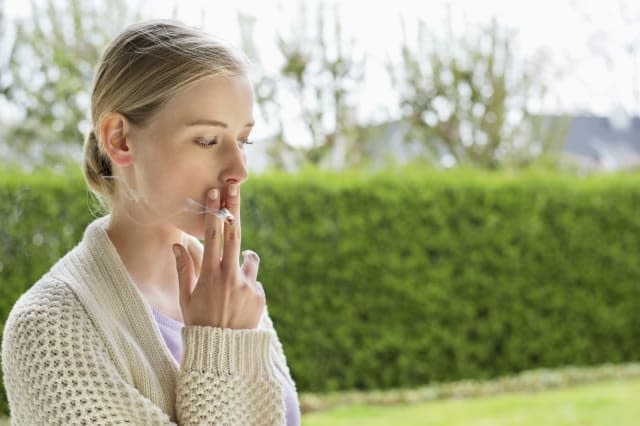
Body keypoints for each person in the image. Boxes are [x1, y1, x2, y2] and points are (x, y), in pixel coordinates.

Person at [1, 20, 300, 425]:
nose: (239, 169)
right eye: (207, 140)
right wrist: (219, 342)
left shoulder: (228, 291)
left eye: (243, 140)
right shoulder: (48, 329)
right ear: (120, 139)